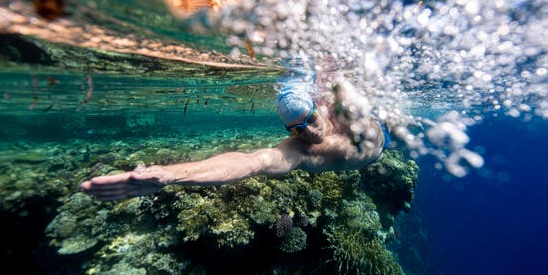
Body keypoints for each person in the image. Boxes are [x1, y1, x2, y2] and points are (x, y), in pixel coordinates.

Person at [80, 81, 390, 201]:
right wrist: (170, 175)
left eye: (310, 119)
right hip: (377, 149)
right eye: (296, 128)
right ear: (289, 133)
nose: (308, 131)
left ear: (317, 107)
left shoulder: (339, 106)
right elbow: (252, 162)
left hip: (384, 127)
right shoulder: (301, 151)